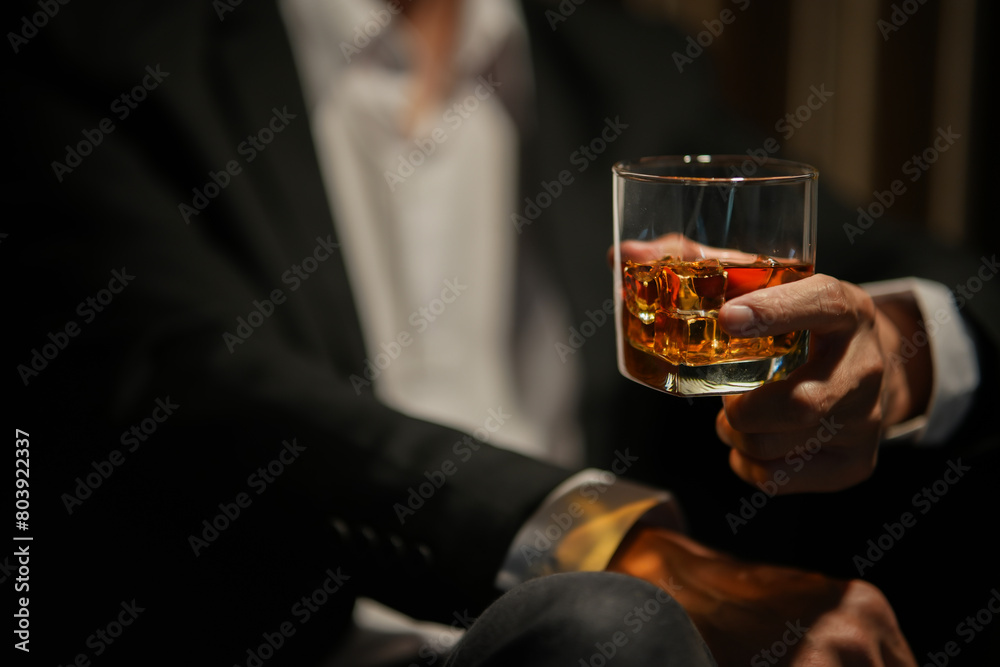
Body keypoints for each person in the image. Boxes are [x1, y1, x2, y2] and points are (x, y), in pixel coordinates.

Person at [6, 0, 998, 664]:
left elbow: (924, 274)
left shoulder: (617, 58)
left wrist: (892, 350)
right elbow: (183, 378)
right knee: (610, 624)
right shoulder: (100, 51)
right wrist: (612, 544)